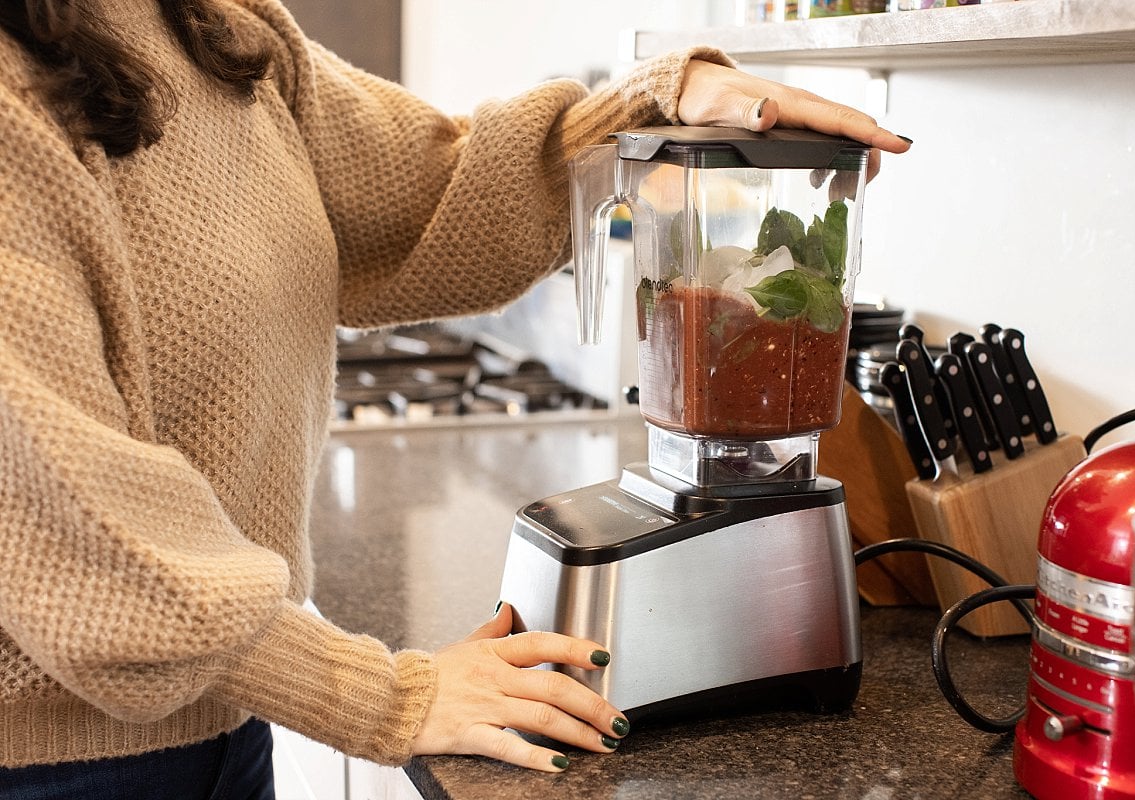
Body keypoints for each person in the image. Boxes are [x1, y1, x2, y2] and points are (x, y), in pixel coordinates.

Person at [0, 0, 910, 795]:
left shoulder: (212, 26)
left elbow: (438, 190)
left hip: (221, 729)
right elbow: (70, 523)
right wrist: (388, 696)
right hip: (54, 766)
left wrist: (661, 104)